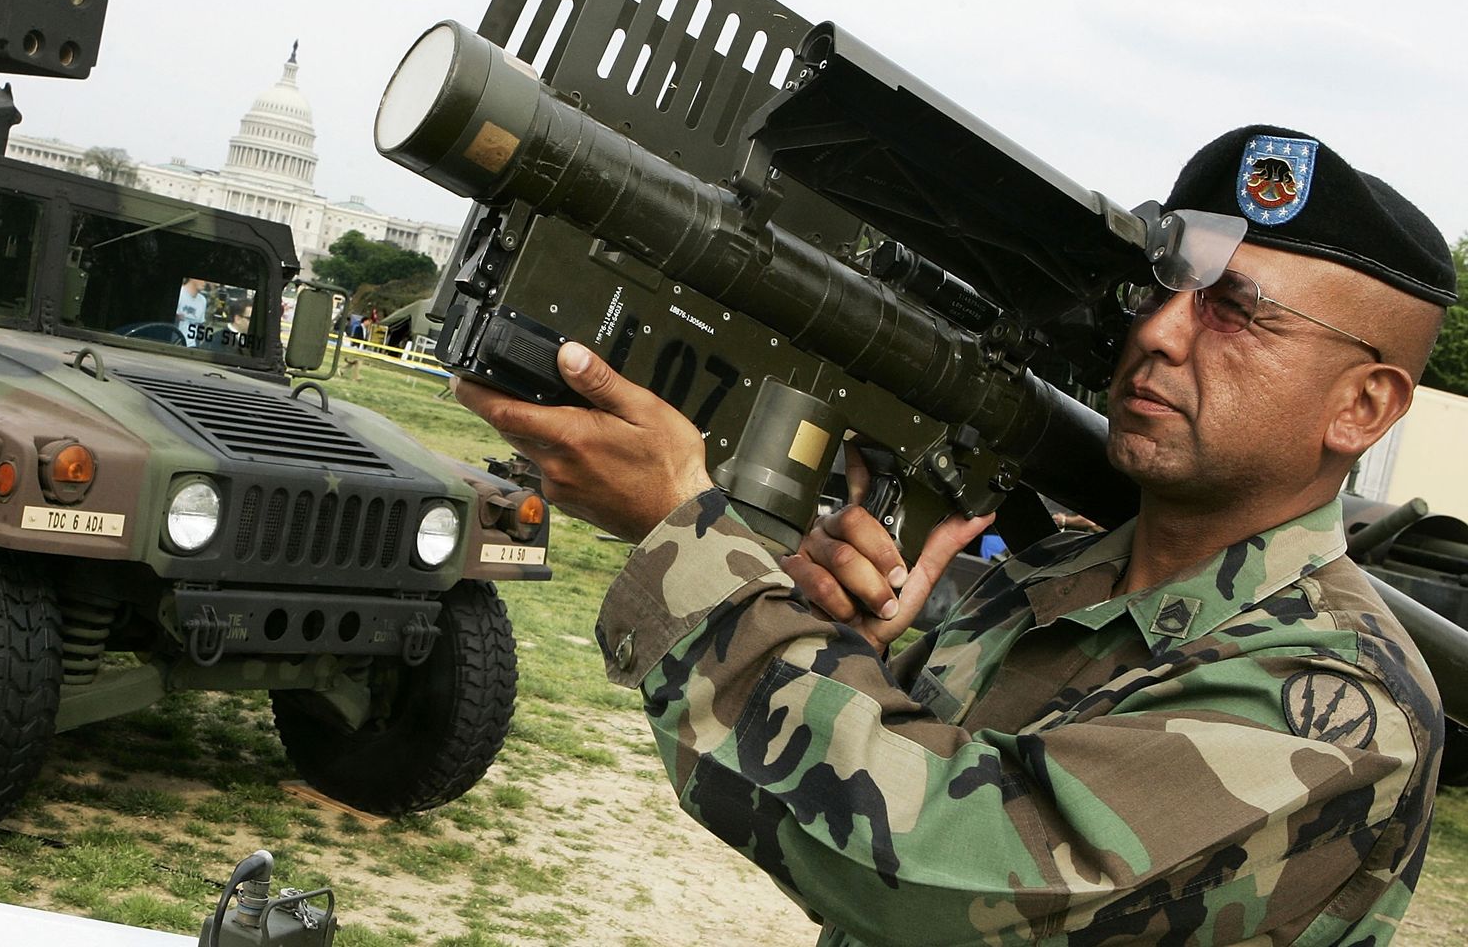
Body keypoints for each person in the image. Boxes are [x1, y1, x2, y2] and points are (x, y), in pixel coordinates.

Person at [453, 126, 1452, 945]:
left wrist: (687, 537)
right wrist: (836, 644)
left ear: (1362, 407)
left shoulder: (1337, 709)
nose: (1159, 332)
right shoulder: (1049, 586)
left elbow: (932, 870)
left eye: (1236, 313)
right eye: (1162, 291)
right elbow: (842, 805)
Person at [176, 277, 208, 344]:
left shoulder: (203, 300)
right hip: (175, 343)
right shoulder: (180, 294)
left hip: (192, 346)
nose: (205, 282)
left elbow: (200, 326)